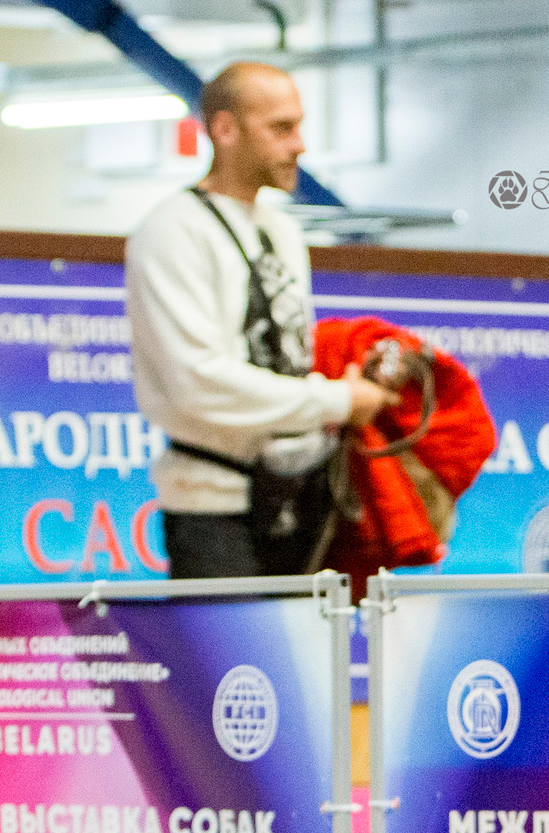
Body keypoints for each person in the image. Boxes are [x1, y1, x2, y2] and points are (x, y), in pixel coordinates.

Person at [127, 62, 397, 579]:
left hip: (301, 496)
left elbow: (291, 359)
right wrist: (338, 400)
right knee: (235, 662)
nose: (299, 145)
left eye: (298, 125)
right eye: (280, 128)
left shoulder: (284, 232)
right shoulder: (172, 231)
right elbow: (197, 383)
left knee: (311, 659)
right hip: (215, 509)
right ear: (225, 130)